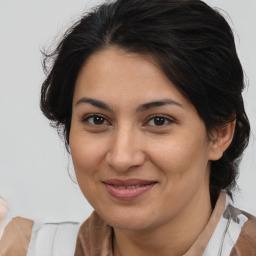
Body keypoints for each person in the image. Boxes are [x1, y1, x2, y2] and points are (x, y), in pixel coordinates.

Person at [0, 0, 255, 255]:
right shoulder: (22, 249)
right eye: (97, 120)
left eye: (159, 121)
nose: (122, 158)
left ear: (220, 133)